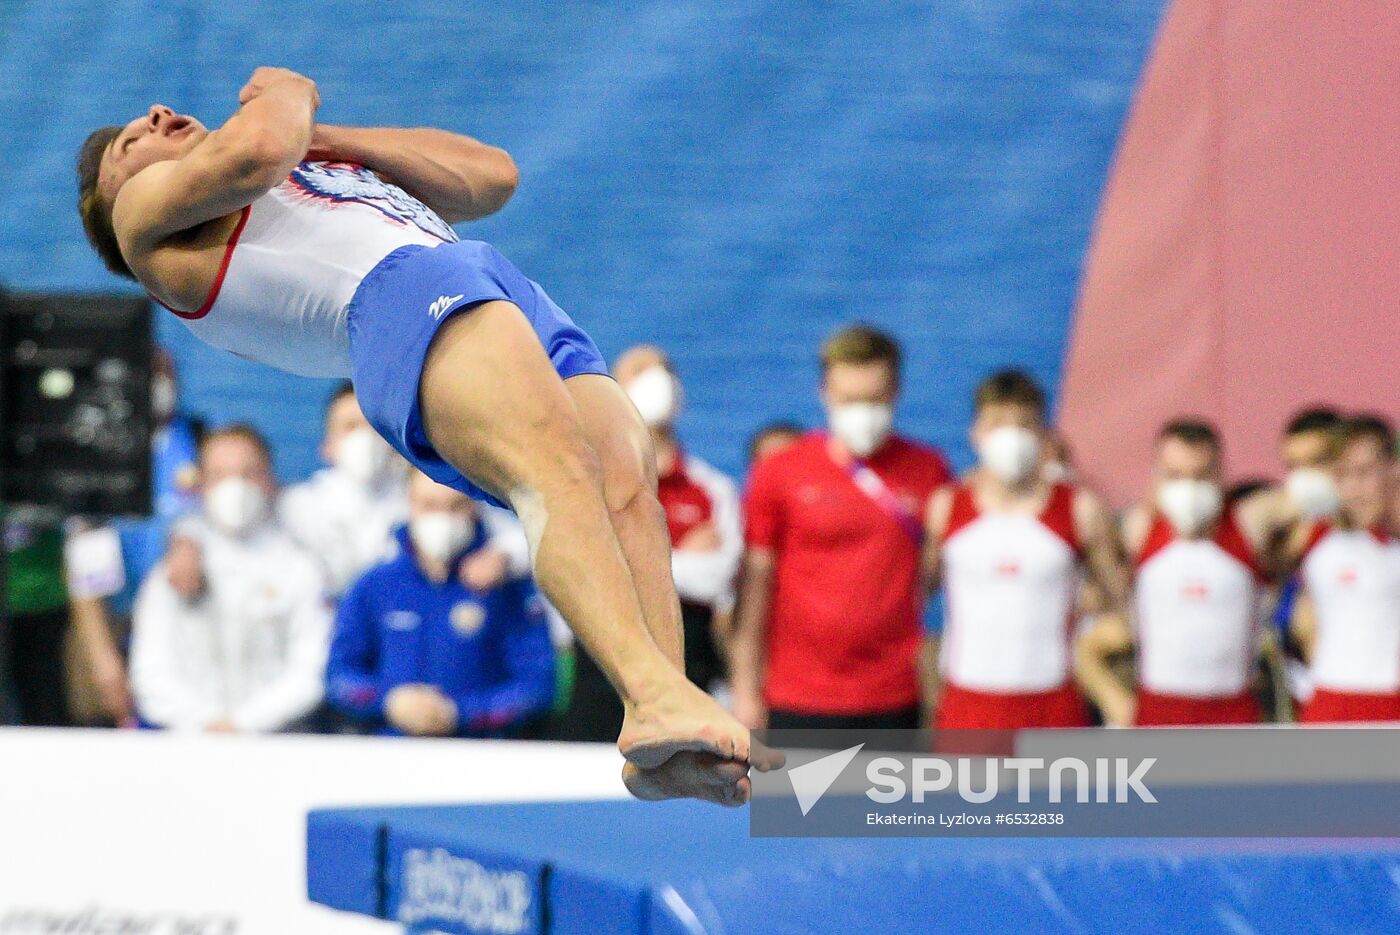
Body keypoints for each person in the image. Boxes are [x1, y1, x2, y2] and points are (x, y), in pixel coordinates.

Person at [76, 66, 764, 803]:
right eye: (127, 144)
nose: (154, 113)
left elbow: (491, 179)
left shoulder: (294, 165)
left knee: (627, 482)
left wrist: (329, 140)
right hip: (392, 298)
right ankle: (649, 696)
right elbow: (258, 148)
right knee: (555, 470)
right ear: (113, 201)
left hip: (476, 273)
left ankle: (664, 721)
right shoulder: (146, 223)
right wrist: (292, 94)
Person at [730, 325, 952, 731]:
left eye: (875, 399)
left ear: (896, 393)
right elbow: (754, 588)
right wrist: (745, 690)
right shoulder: (779, 472)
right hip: (797, 697)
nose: (863, 412)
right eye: (849, 399)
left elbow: (936, 576)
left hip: (894, 695)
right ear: (824, 393)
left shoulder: (929, 470)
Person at [924, 370, 1128, 730]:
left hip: (1053, 703)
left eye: (1024, 424)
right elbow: (911, 599)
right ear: (976, 434)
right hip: (968, 705)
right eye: (998, 423)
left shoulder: (1081, 510)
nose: (1011, 436)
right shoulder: (946, 509)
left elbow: (1122, 601)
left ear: (1044, 435)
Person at [128, 425, 332, 732]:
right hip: (187, 744)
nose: (234, 487)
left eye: (248, 473)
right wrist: (204, 725)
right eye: (219, 475)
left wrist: (244, 724)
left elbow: (311, 669)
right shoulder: (172, 570)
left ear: (270, 480)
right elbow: (151, 672)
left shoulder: (302, 570)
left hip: (280, 746)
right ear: (201, 485)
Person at [326, 471, 555, 737]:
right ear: (409, 504)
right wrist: (390, 702)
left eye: (456, 506)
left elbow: (538, 685)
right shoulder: (374, 586)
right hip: (389, 755)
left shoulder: (508, 588)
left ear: (476, 507)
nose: (443, 518)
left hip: (481, 757)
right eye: (429, 505)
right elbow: (338, 675)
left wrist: (459, 713)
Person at [1075, 420, 1271, 726]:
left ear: (1221, 475)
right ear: (1157, 478)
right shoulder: (1136, 531)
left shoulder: (1250, 526)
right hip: (1158, 713)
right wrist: (1114, 699)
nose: (1189, 488)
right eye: (1176, 476)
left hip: (1234, 714)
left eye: (1202, 475)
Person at [279, 382, 532, 601]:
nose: (365, 440)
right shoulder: (299, 507)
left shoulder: (431, 492)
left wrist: (502, 557)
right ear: (327, 446)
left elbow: (520, 538)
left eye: (375, 427)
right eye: (351, 427)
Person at [63, 347, 203, 726]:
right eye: (149, 374)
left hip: (187, 622)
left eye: (166, 375)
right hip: (115, 619)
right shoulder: (96, 452)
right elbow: (84, 551)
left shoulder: (198, 438)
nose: (160, 385)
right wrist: (103, 655)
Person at [615, 346, 742, 692]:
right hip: (606, 665)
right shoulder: (594, 482)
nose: (657, 380)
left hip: (689, 662)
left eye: (665, 370)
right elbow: (590, 568)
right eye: (640, 370)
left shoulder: (713, 488)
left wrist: (632, 558)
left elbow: (719, 578)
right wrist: (681, 556)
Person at [1292, 416, 1400, 723]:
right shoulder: (1313, 534)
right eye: (1342, 476)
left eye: (1365, 473)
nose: (1353, 489)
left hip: (1390, 704)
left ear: (1394, 469)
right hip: (1328, 702)